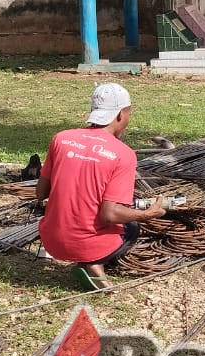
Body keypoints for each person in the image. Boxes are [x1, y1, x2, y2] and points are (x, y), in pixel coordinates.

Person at [36, 83, 166, 291]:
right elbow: (110, 215)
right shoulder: (123, 154)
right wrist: (147, 214)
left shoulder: (61, 139)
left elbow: (40, 193)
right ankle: (94, 262)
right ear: (120, 115)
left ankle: (88, 258)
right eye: (128, 113)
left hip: (52, 241)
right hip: (87, 246)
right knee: (132, 228)